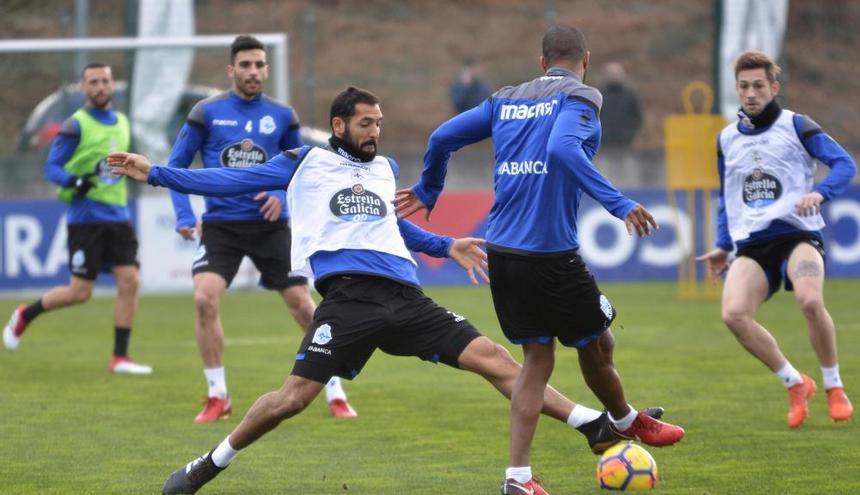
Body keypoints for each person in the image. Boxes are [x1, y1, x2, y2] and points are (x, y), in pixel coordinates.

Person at [108, 86, 664, 495]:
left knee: (494, 359)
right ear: (339, 124)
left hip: (405, 297)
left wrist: (446, 246)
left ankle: (591, 424)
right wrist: (156, 173)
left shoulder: (384, 170)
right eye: (367, 123)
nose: (376, 131)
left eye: (380, 122)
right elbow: (227, 180)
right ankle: (209, 464)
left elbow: (392, 226)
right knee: (292, 399)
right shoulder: (306, 162)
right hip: (348, 300)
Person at [394, 25, 684, 495]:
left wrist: (430, 188)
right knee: (597, 342)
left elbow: (442, 136)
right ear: (585, 59)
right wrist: (619, 204)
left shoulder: (505, 98)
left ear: (541, 59)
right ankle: (626, 420)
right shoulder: (583, 96)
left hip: (503, 251)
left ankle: (518, 478)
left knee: (539, 358)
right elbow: (563, 148)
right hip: (550, 253)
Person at [165, 35, 355, 422]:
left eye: (259, 65)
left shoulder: (282, 116)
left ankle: (333, 388)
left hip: (270, 227)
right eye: (245, 65)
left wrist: (281, 198)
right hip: (221, 226)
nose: (253, 72)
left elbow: (304, 171)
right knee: (204, 299)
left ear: (267, 70)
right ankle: (218, 395)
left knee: (304, 306)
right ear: (231, 70)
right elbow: (176, 167)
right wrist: (185, 215)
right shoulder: (206, 113)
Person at [697, 50, 856, 428]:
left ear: (773, 87)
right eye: (743, 86)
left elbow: (845, 164)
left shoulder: (797, 126)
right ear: (737, 89)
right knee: (733, 315)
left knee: (810, 299)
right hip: (753, 244)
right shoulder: (726, 139)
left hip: (798, 233)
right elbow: (727, 197)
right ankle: (795, 382)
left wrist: (821, 193)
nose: (750, 93)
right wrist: (723, 244)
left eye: (758, 86)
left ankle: (834, 386)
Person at [3, 63, 151, 375]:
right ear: (84, 88)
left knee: (130, 281)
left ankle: (120, 357)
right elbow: (52, 168)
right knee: (79, 293)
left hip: (119, 217)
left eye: (105, 81)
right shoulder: (75, 125)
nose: (100, 87)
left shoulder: (123, 123)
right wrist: (75, 182)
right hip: (86, 220)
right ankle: (24, 315)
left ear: (112, 85)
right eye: (93, 82)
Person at [597, 61, 643, 148]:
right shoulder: (599, 94)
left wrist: (630, 132)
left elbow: (637, 115)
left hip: (626, 139)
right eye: (611, 73)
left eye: (616, 73)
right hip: (603, 140)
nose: (614, 76)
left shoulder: (631, 94)